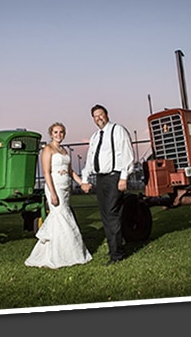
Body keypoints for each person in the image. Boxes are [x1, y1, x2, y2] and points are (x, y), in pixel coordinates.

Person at [25, 122, 92, 268]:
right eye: (55, 132)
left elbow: (71, 171)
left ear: (64, 134)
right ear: (51, 134)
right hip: (54, 188)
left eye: (61, 132)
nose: (58, 135)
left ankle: (59, 251)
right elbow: (46, 172)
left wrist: (82, 183)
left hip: (66, 188)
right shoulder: (47, 149)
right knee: (63, 217)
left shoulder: (64, 151)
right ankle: (64, 255)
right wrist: (53, 193)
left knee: (60, 219)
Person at [78, 104, 135, 265]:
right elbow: (90, 159)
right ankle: (113, 250)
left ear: (107, 114)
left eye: (100, 114)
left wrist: (124, 177)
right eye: (95, 116)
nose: (98, 118)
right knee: (105, 216)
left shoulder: (118, 130)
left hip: (114, 177)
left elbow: (127, 154)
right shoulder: (95, 136)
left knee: (112, 214)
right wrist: (85, 179)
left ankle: (117, 255)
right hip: (100, 179)